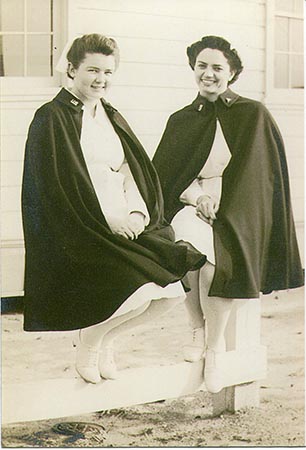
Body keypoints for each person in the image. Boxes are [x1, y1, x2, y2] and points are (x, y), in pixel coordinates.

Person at [21, 34, 206, 384]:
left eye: (108, 71)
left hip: (125, 223)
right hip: (82, 229)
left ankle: (105, 340)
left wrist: (136, 213)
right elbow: (53, 188)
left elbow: (129, 170)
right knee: (137, 294)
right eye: (92, 69)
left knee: (169, 292)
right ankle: (89, 343)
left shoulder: (109, 114)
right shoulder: (51, 118)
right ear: (71, 69)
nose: (100, 79)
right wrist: (109, 220)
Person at [153, 35, 304, 393]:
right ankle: (198, 327)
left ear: (232, 73)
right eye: (201, 66)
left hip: (238, 210)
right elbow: (169, 177)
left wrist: (223, 205)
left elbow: (259, 176)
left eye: (217, 67)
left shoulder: (253, 114)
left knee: (219, 263)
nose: (208, 74)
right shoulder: (182, 120)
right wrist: (198, 197)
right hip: (194, 205)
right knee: (190, 248)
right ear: (193, 68)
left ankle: (215, 350)